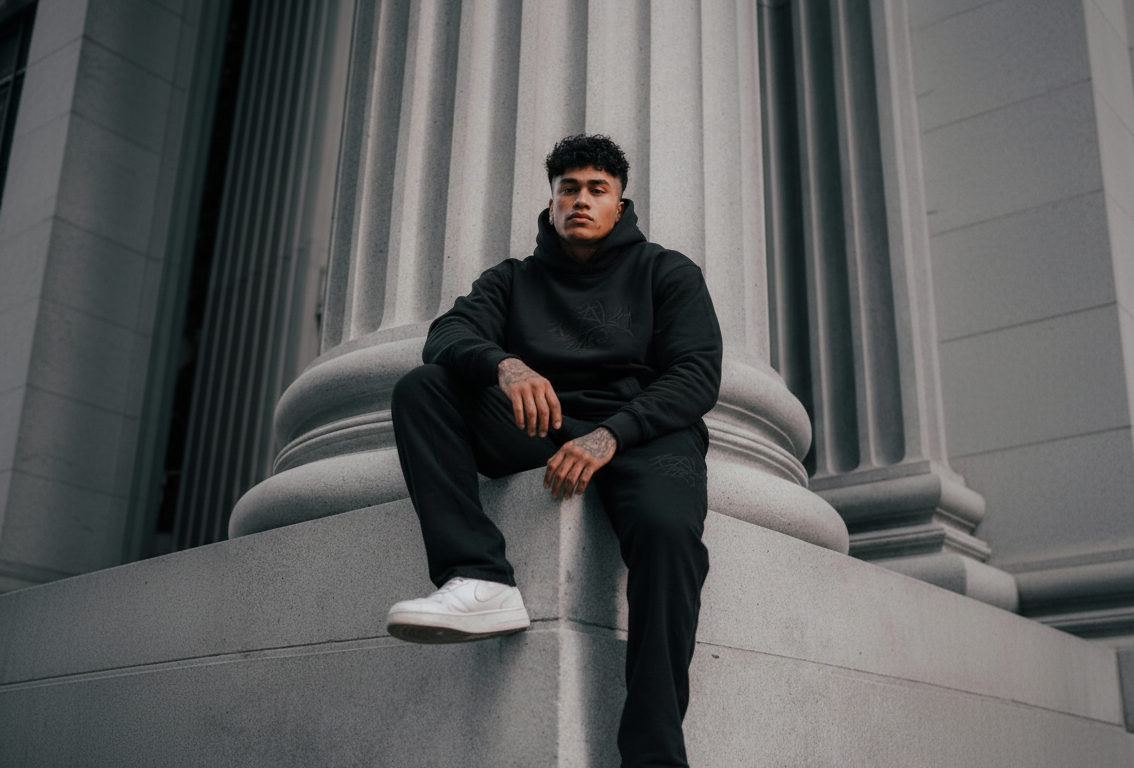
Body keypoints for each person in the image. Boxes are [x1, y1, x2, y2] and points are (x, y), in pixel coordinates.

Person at [386, 133, 723, 767]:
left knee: (668, 535)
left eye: (597, 189)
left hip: (642, 434)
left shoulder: (666, 271)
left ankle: (653, 756)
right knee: (424, 389)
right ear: (551, 199)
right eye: (568, 188)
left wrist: (612, 434)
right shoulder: (513, 279)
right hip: (540, 422)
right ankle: (481, 577)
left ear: (620, 203)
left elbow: (696, 375)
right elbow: (447, 335)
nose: (581, 200)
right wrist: (504, 363)